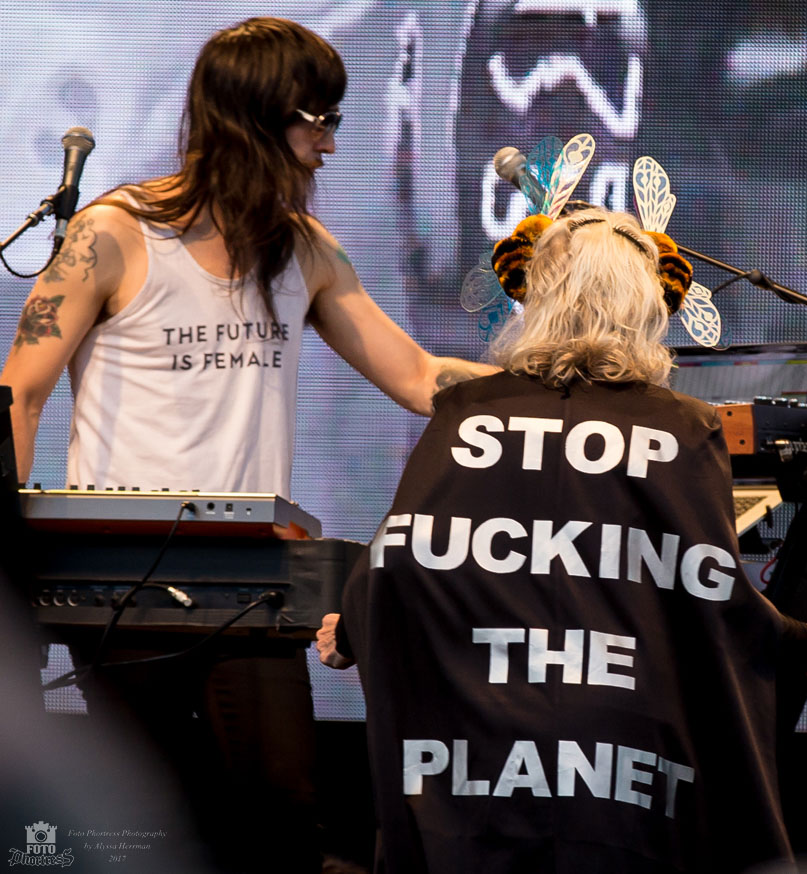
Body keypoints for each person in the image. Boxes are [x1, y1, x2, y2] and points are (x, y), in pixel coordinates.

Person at [0, 17, 494, 874]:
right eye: (317, 120)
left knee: (283, 810)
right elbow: (20, 394)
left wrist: (559, 378)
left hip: (252, 581)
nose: (329, 144)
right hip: (117, 578)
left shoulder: (304, 250)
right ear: (254, 117)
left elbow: (419, 378)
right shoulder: (112, 233)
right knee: (147, 824)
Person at [316, 207, 807, 873]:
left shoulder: (468, 412)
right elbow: (709, 588)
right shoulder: (682, 425)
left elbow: (403, 562)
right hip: (622, 751)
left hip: (477, 747)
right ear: (645, 306)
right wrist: (798, 642)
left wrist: (354, 629)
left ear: (538, 299)